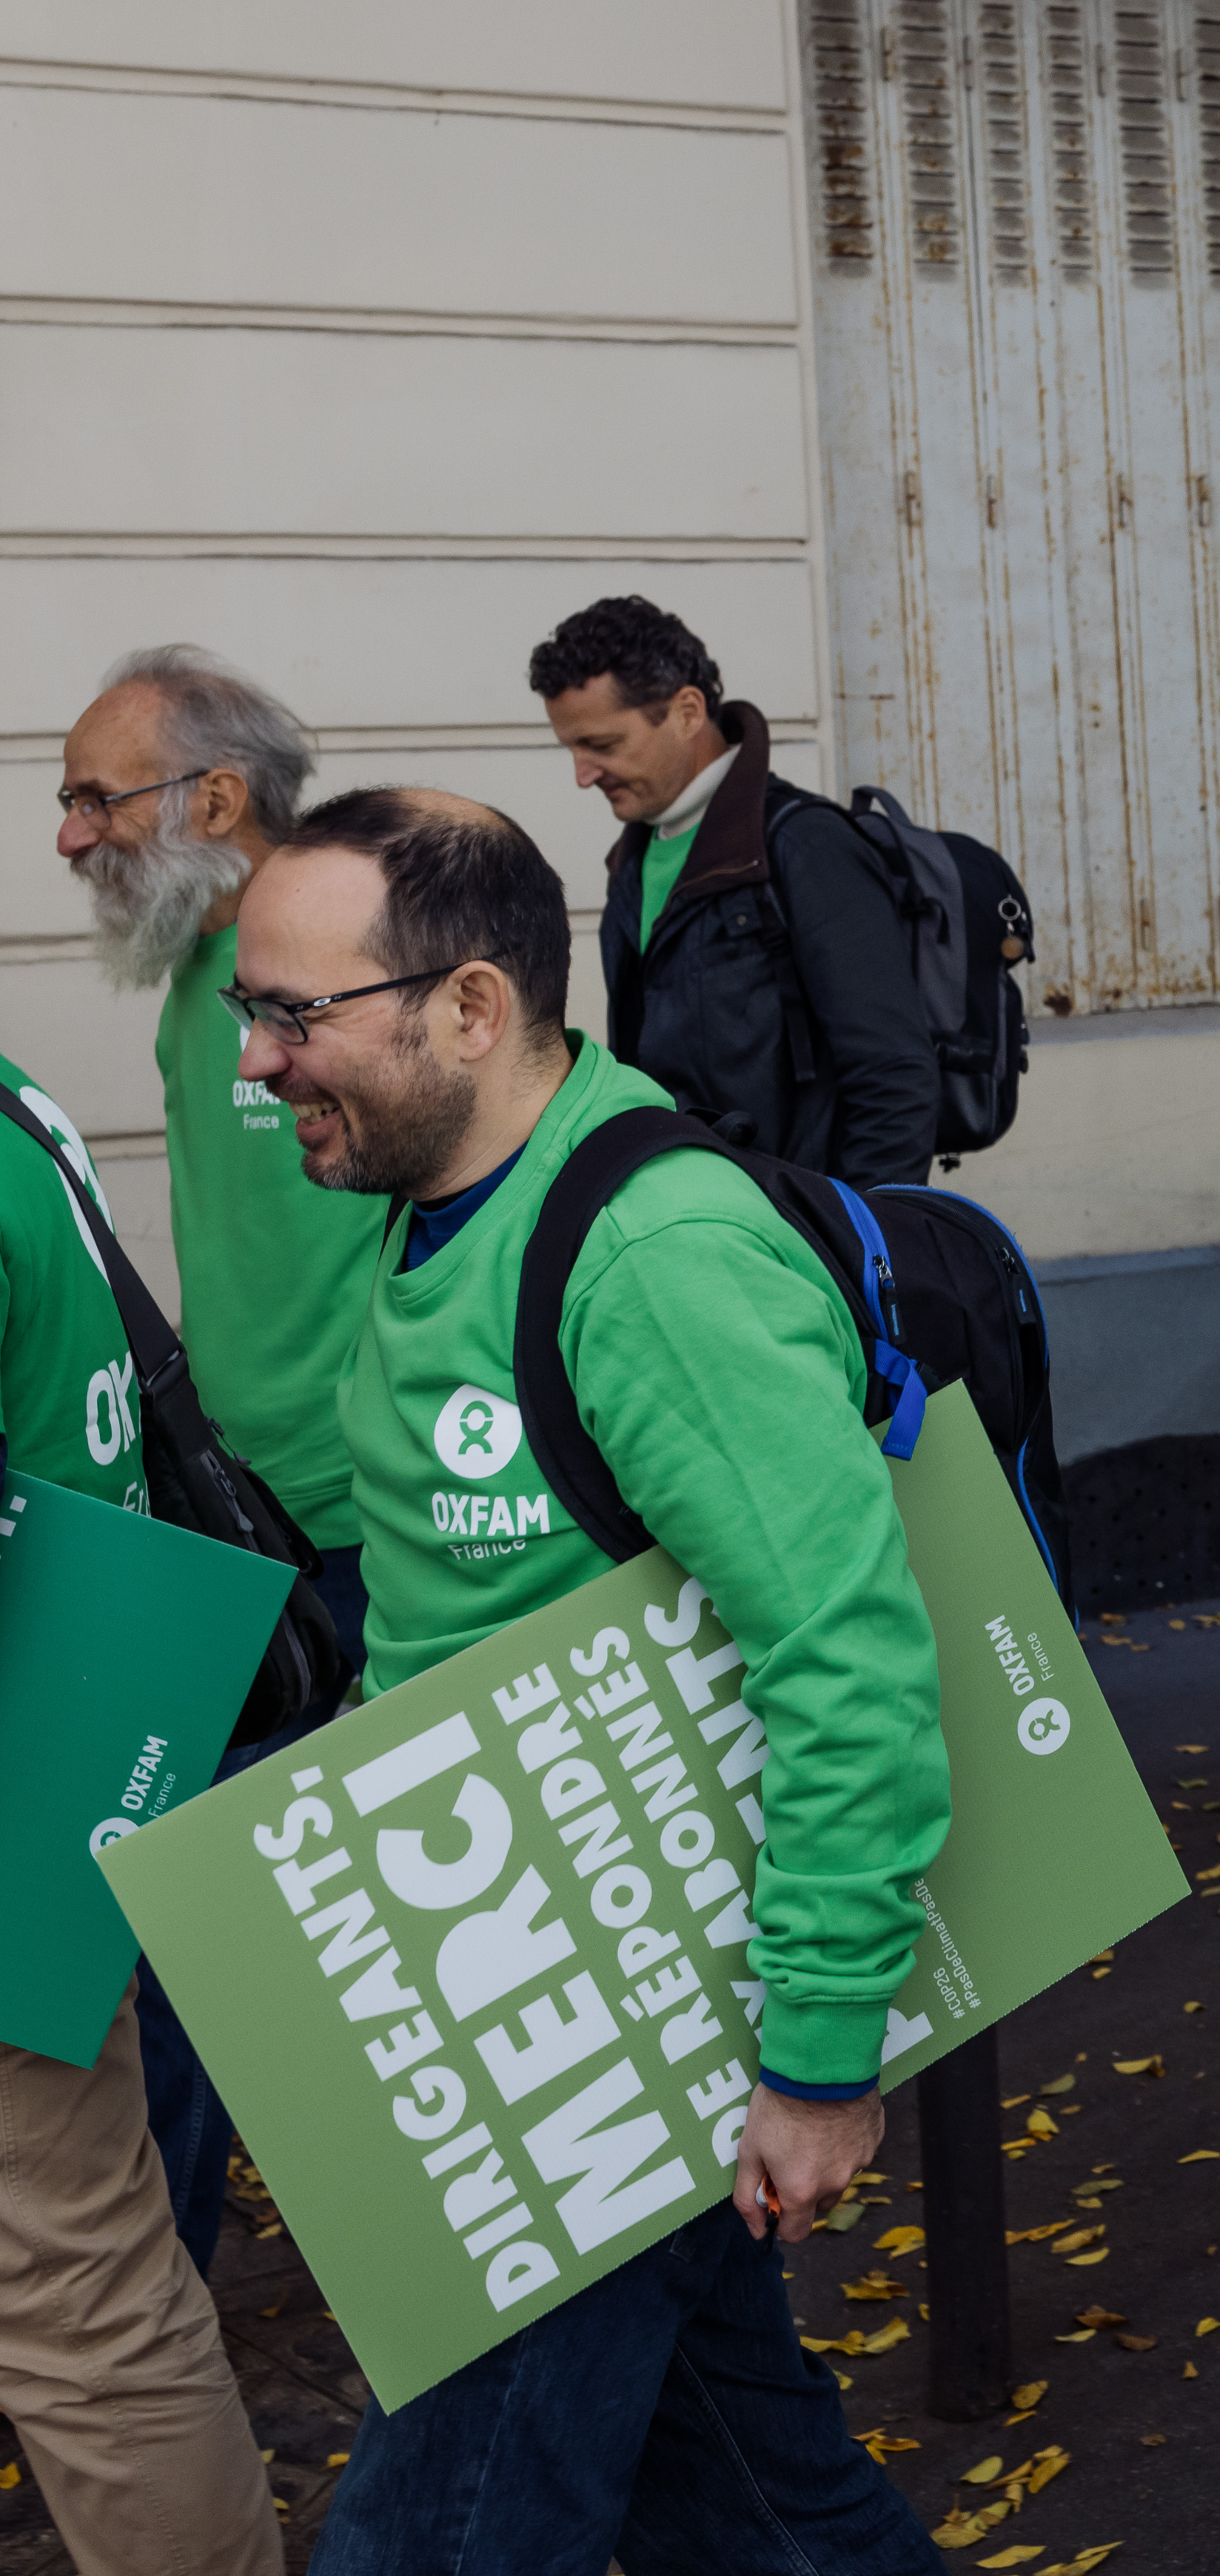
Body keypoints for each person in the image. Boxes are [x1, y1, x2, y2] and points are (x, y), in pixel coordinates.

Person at [237, 789, 948, 2575]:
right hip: (525, 2001)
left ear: (469, 1006)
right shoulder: (428, 1200)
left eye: (296, 1014)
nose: (258, 1059)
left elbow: (845, 1650)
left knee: (438, 2536)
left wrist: (817, 2051)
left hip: (619, 2023)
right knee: (760, 2510)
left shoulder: (654, 1255)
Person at [56, 642, 386, 2267]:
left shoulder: (343, 965)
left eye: (93, 795)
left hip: (359, 1540)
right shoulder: (202, 976)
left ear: (218, 799)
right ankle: (156, 2272)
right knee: (188, 1924)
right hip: (233, 1529)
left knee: (226, 1927)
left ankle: (156, 2291)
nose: (67, 835)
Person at [0, 1044, 278, 2576]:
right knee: (91, 2281)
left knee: (81, 2306)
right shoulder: (14, 1100)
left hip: (22, 1790)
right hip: (64, 1753)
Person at [529, 596, 940, 1186]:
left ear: (687, 710)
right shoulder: (632, 860)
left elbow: (894, 1077)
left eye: (604, 744)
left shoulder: (804, 847)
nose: (582, 774)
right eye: (572, 748)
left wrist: (860, 1247)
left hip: (800, 1244)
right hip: (690, 1229)